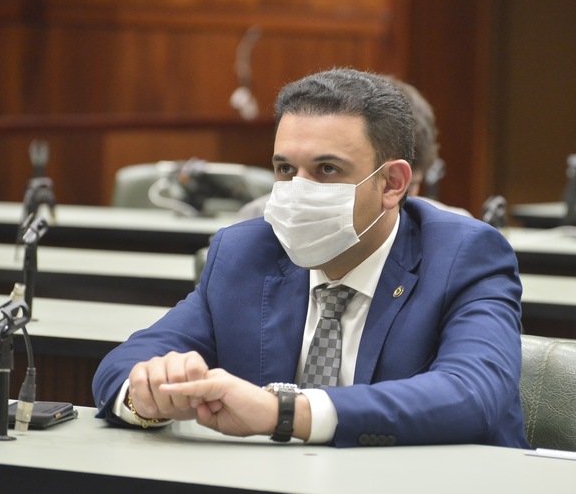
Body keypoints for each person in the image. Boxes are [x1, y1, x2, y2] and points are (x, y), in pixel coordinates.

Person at [92, 68, 528, 448]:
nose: (298, 191)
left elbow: (471, 394)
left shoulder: (463, 256)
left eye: (327, 170)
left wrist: (284, 412)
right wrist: (148, 393)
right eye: (285, 169)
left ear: (393, 183)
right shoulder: (246, 252)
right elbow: (125, 363)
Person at [228, 75, 471, 223]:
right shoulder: (258, 221)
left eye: (411, 188)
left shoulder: (454, 234)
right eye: (285, 168)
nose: (402, 200)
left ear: (395, 182)